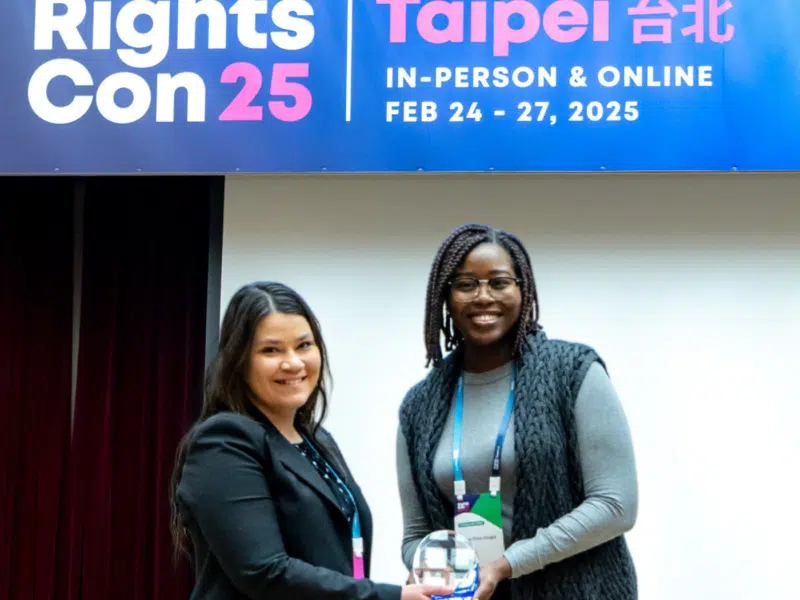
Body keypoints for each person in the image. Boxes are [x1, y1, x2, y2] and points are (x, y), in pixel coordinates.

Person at [396, 224, 638, 600]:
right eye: (465, 284)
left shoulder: (572, 372)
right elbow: (415, 535)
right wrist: (437, 571)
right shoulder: (419, 406)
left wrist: (508, 564)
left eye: (498, 282)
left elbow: (616, 505)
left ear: (523, 290)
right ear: (445, 297)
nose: (482, 297)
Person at [170, 282, 452, 600]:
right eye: (271, 350)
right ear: (239, 360)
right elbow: (265, 572)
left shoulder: (317, 440)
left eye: (304, 345)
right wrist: (391, 597)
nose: (293, 363)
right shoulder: (224, 442)